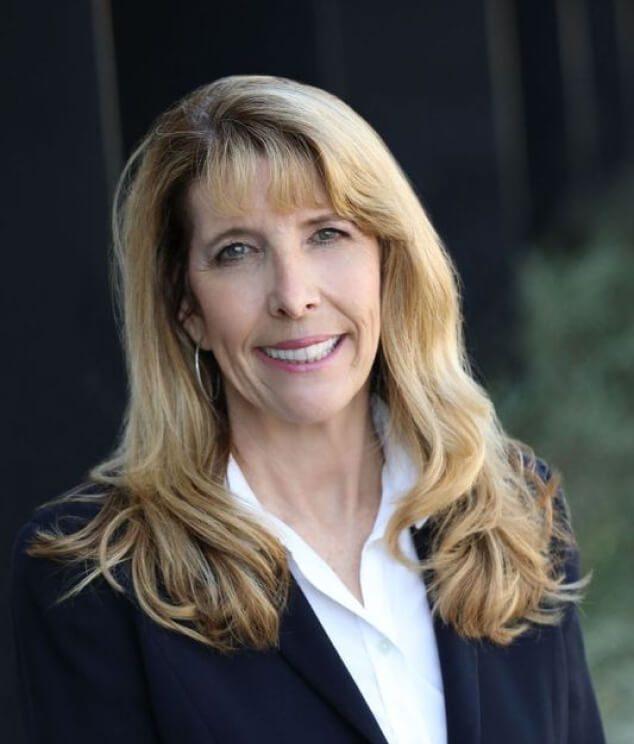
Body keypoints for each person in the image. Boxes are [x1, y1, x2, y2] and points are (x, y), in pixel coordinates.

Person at [10, 75, 605, 744]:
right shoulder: (98, 581)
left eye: (327, 235)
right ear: (186, 306)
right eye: (237, 251)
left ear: (388, 259)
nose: (293, 296)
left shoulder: (513, 514)